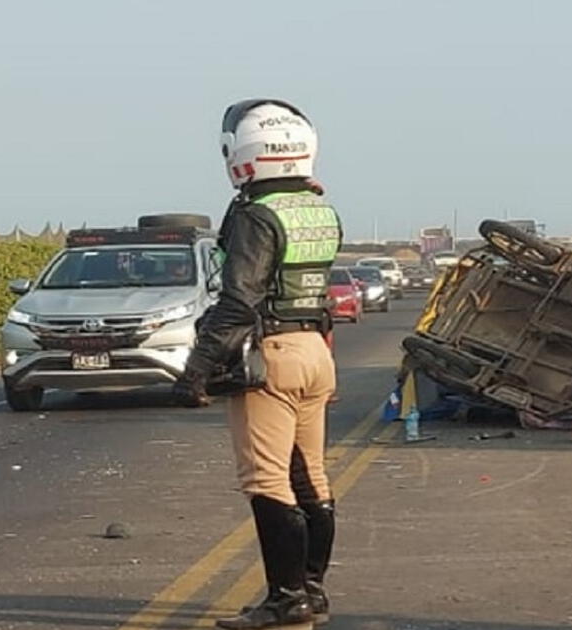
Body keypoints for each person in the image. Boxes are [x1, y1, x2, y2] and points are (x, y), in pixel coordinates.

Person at [173, 99, 341, 629]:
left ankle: (285, 597)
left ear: (241, 154)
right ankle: (311, 590)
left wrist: (196, 368)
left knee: (267, 481)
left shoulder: (255, 215)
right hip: (315, 350)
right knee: (310, 475)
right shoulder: (318, 209)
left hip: (271, 355)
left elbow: (239, 301)